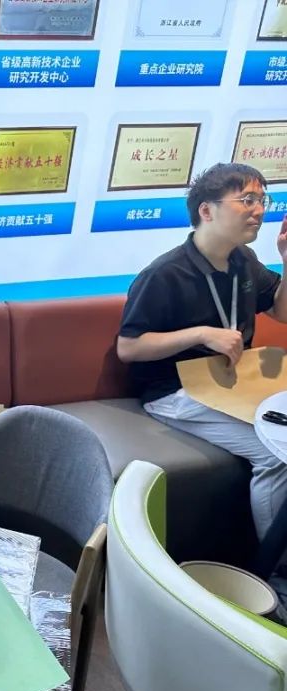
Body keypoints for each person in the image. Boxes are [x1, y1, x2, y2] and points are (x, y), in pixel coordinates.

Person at [118, 162, 287, 547]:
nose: (259, 210)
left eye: (263, 200)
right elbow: (128, 347)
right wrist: (200, 334)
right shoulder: (165, 273)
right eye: (247, 200)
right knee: (276, 455)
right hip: (175, 391)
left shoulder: (244, 260)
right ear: (206, 210)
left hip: (231, 382)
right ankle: (273, 567)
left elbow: (281, 311)